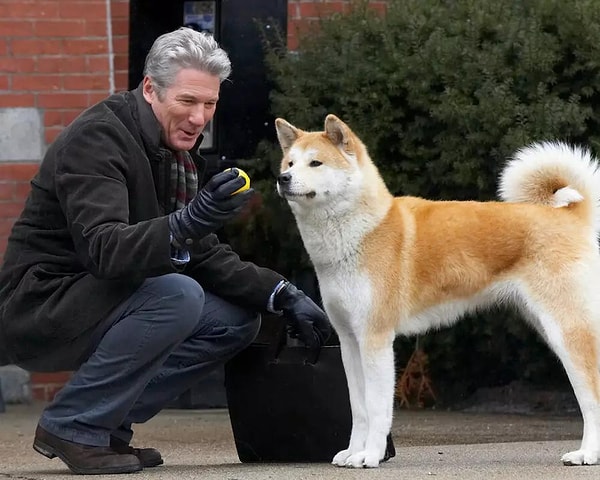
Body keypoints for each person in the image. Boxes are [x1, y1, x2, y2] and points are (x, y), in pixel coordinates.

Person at [0, 27, 330, 475]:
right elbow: (105, 250)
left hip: (99, 302)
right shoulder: (99, 139)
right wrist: (188, 221)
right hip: (41, 307)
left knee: (236, 320)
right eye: (187, 101)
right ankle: (75, 424)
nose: (199, 118)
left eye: (209, 104)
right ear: (151, 89)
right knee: (177, 294)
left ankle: (107, 425)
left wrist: (282, 292)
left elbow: (201, 252)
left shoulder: (171, 152)